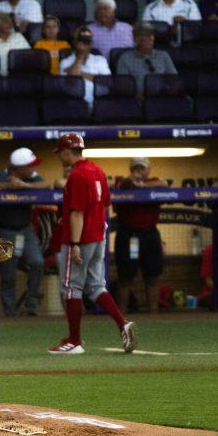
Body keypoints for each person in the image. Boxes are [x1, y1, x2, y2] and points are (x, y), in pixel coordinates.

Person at [48, 133, 137, 355]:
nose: (61, 157)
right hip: (99, 236)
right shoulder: (97, 170)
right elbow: (106, 203)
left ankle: (75, 341)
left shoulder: (77, 175)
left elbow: (77, 213)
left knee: (71, 287)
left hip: (81, 238)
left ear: (68, 152)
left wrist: (75, 243)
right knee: (96, 286)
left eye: (61, 153)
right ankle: (122, 323)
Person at [0, 147, 50, 317]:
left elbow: (47, 184)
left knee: (37, 262)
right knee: (8, 274)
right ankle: (10, 314)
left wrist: (25, 185)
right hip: (4, 230)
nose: (33, 169)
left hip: (26, 229)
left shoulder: (32, 177)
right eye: (29, 166)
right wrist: (7, 186)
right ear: (18, 168)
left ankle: (31, 307)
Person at [112, 157, 167, 314]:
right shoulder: (122, 183)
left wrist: (142, 185)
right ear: (130, 170)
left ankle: (153, 315)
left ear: (148, 170)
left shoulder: (155, 182)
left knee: (153, 276)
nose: (139, 171)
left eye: (142, 168)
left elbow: (164, 183)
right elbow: (118, 186)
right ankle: (121, 317)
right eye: (135, 168)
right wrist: (132, 181)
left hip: (150, 236)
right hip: (129, 236)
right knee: (126, 278)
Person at [115, 22, 178, 98]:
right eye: (144, 35)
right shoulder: (125, 58)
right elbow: (123, 86)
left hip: (163, 98)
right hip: (138, 100)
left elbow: (174, 80)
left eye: (151, 35)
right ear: (135, 39)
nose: (149, 38)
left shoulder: (163, 55)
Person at [59, 26, 111, 106]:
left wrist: (81, 74)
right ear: (74, 42)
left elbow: (106, 82)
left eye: (87, 41)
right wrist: (80, 56)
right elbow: (70, 83)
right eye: (81, 41)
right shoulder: (65, 62)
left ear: (91, 43)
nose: (85, 44)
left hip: (100, 102)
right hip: (75, 103)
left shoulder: (100, 60)